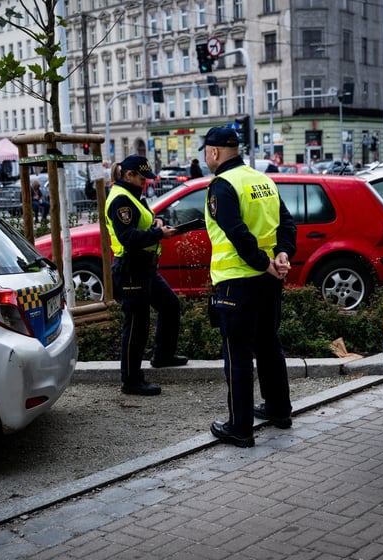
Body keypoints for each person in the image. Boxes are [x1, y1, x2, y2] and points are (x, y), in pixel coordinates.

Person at [202, 127, 297, 447]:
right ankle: (279, 410)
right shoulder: (262, 180)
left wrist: (261, 262)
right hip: (269, 281)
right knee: (269, 345)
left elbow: (236, 232)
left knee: (238, 355)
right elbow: (286, 223)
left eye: (207, 152)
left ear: (214, 152)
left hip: (237, 283)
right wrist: (282, 254)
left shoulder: (222, 185)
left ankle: (240, 428)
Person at [105, 154, 189, 396]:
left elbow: (140, 224)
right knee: (136, 325)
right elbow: (128, 238)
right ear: (128, 175)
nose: (145, 183)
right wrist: (159, 234)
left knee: (170, 305)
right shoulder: (121, 200)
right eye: (142, 179)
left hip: (144, 267)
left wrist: (155, 223)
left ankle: (163, 355)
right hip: (131, 268)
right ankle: (131, 380)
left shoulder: (132, 196)